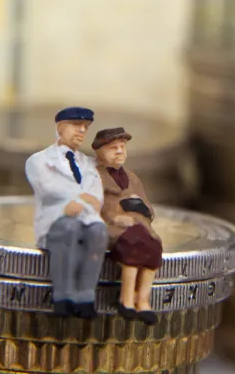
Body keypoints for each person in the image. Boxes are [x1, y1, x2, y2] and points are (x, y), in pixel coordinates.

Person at [24, 107, 108, 319]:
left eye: (85, 127)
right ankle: (63, 296)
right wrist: (82, 197)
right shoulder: (39, 160)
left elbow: (97, 198)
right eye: (75, 125)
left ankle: (86, 296)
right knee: (69, 229)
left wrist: (81, 200)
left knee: (98, 231)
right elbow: (49, 189)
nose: (81, 130)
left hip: (87, 218)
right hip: (56, 219)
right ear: (60, 128)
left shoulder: (88, 164)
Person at [92, 127, 163, 325]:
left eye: (122, 147)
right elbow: (94, 205)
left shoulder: (132, 178)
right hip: (114, 228)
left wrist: (141, 209)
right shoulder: (95, 176)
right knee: (133, 246)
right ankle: (126, 300)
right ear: (100, 152)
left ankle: (143, 300)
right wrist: (115, 217)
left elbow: (149, 208)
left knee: (153, 247)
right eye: (113, 148)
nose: (119, 151)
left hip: (140, 225)